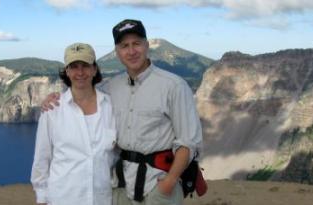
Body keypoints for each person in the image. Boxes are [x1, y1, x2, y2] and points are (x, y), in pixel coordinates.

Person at [42, 19, 203, 205]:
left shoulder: (173, 86)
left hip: (157, 186)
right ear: (117, 52)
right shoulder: (110, 87)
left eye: (136, 43)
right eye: (124, 45)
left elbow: (189, 142)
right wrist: (55, 100)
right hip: (121, 188)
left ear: (147, 45)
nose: (131, 51)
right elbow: (82, 96)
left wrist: (169, 182)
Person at [30, 43, 117, 205]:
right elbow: (42, 159)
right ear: (67, 71)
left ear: (94, 69)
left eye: (85, 66)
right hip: (63, 199)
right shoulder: (52, 110)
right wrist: (41, 198)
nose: (80, 72)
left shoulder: (111, 107)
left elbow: (116, 153)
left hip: (101, 199)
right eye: (74, 67)